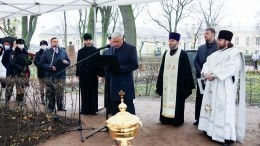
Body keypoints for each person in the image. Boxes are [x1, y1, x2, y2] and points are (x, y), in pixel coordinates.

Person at [198, 30, 246, 145]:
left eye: (219, 40)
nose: (217, 42)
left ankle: (225, 136)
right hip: (211, 86)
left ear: (227, 41)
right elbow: (206, 64)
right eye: (218, 40)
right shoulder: (215, 54)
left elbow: (230, 68)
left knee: (223, 110)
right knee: (210, 108)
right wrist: (205, 74)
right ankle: (208, 130)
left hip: (223, 87)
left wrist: (213, 75)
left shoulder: (234, 53)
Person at [156, 32, 195, 127]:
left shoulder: (183, 54)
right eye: (169, 41)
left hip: (177, 85)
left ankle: (177, 120)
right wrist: (160, 83)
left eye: (172, 41)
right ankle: (165, 118)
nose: (170, 42)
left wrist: (183, 86)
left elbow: (186, 72)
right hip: (166, 83)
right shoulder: (166, 53)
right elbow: (162, 70)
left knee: (177, 101)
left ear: (178, 42)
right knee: (166, 98)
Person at [105, 32, 138, 115]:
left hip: (125, 83)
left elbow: (135, 65)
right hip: (114, 83)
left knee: (128, 107)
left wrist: (120, 69)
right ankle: (116, 126)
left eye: (117, 41)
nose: (115, 44)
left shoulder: (131, 49)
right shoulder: (111, 49)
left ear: (122, 39)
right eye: (113, 42)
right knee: (115, 107)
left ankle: (131, 126)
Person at [193, 28, 218, 126]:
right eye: (204, 34)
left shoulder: (217, 47)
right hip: (200, 78)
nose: (205, 35)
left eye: (207, 33)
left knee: (210, 98)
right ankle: (198, 119)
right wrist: (201, 72)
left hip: (211, 79)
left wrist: (209, 74)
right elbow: (195, 61)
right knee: (200, 97)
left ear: (213, 34)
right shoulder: (201, 48)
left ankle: (209, 120)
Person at [40, 37, 70, 113]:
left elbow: (68, 62)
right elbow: (42, 63)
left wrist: (66, 62)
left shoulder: (63, 52)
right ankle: (50, 107)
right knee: (50, 92)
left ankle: (60, 106)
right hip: (50, 75)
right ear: (51, 43)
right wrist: (50, 67)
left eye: (57, 41)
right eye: (54, 41)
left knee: (60, 91)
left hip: (61, 75)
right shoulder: (46, 52)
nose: (56, 43)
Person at [76, 33, 100, 115]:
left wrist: (99, 73)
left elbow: (98, 63)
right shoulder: (80, 51)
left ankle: (94, 110)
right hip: (83, 75)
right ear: (84, 41)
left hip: (93, 74)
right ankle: (85, 110)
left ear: (92, 40)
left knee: (93, 92)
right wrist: (78, 74)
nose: (88, 41)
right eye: (86, 40)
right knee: (84, 91)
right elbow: (78, 63)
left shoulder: (96, 50)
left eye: (89, 40)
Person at [10, 39, 32, 105]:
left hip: (26, 72)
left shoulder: (25, 52)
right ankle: (19, 99)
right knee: (19, 86)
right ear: (16, 44)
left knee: (23, 86)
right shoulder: (14, 53)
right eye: (19, 44)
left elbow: (28, 60)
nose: (21, 45)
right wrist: (22, 68)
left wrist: (29, 61)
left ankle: (21, 98)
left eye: (22, 44)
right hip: (18, 72)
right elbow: (13, 63)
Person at [34, 40, 48, 104]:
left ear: (46, 45)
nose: (43, 46)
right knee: (42, 86)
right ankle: (42, 99)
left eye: (44, 45)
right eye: (42, 45)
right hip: (41, 72)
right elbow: (35, 62)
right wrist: (42, 65)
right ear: (40, 46)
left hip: (48, 72)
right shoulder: (38, 53)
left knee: (48, 86)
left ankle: (48, 98)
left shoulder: (49, 52)